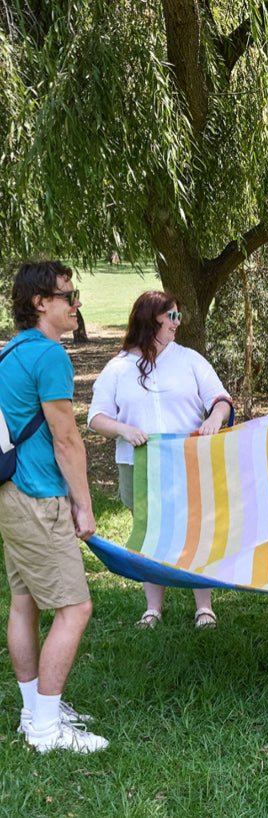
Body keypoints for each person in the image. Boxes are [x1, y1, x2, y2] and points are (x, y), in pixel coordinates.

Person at [0, 261, 108, 753]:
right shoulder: (48, 355)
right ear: (40, 302)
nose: (76, 304)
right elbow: (67, 440)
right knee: (75, 608)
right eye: (69, 295)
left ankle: (33, 711)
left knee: (24, 602)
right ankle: (45, 730)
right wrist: (82, 506)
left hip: (10, 492)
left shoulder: (11, 351)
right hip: (38, 498)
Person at [88, 291, 233, 630]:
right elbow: (96, 417)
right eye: (171, 317)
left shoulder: (190, 359)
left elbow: (221, 399)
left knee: (196, 531)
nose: (177, 324)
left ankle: (205, 609)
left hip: (189, 460)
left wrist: (215, 418)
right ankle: (152, 609)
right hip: (139, 464)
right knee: (151, 534)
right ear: (150, 319)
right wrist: (124, 429)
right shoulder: (118, 367)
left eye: (178, 317)